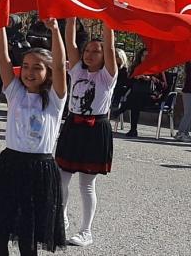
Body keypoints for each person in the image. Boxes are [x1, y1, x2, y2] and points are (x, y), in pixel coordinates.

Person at [0, 20, 68, 256]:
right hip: (10, 164)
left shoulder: (54, 99)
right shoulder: (15, 92)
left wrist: (55, 30)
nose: (29, 72)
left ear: (47, 72)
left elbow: (60, 65)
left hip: (40, 168)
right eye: (26, 66)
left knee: (27, 237)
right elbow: (3, 55)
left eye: (37, 67)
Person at [55, 21, 117, 248]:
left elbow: (110, 47)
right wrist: (71, 17)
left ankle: (85, 231)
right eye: (87, 50)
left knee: (86, 185)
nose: (90, 54)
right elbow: (70, 42)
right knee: (61, 178)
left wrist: (108, 20)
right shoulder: (78, 69)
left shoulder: (107, 76)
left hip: (95, 129)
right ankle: (59, 220)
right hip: (73, 126)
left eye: (95, 51)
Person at [121, 49, 166, 138]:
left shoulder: (157, 68)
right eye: (143, 56)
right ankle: (133, 130)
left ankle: (122, 111)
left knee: (135, 100)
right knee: (136, 100)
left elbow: (164, 85)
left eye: (147, 56)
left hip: (151, 97)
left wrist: (151, 79)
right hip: (136, 96)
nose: (145, 58)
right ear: (140, 57)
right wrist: (135, 78)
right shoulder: (137, 68)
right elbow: (127, 83)